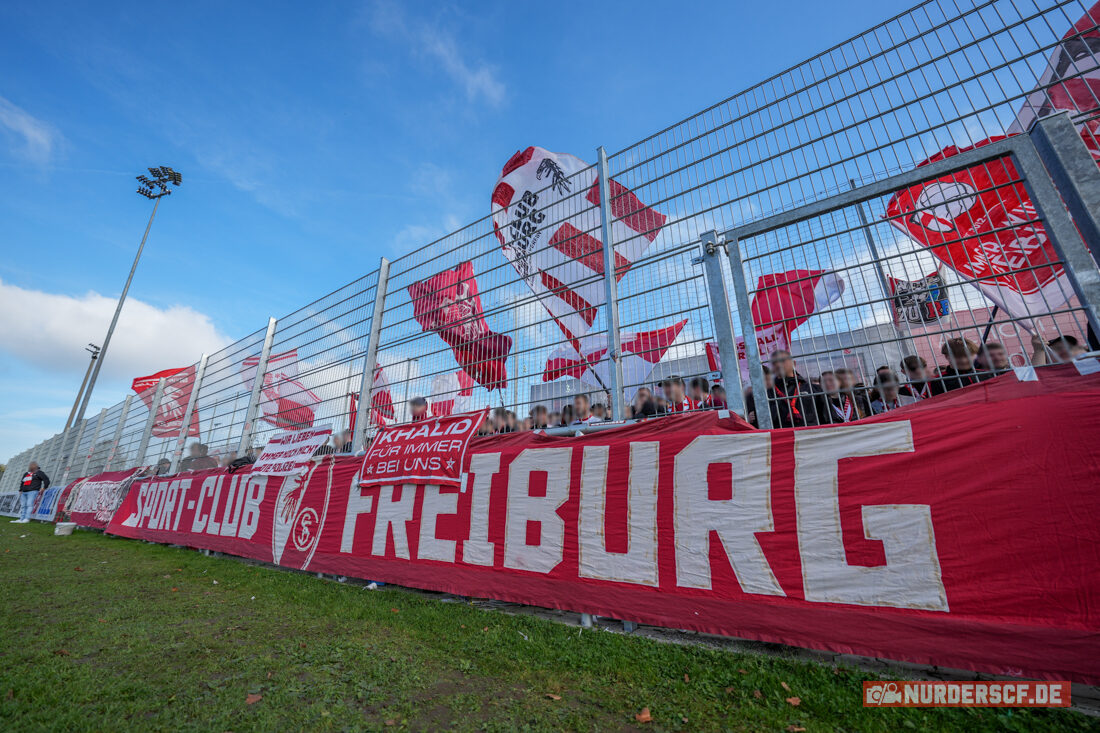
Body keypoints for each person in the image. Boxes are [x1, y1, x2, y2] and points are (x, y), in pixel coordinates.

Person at [769, 351, 825, 426]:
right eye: (774, 362)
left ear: (793, 364)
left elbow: (828, 419)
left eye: (782, 360)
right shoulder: (767, 394)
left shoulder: (814, 389)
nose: (778, 365)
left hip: (810, 432)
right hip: (782, 433)